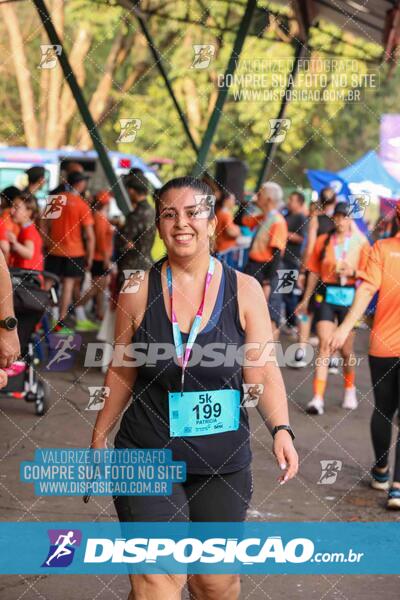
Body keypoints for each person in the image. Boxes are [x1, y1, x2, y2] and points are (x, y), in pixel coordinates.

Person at [90, 176, 298, 600]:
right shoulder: (136, 289)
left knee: (214, 583)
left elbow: (263, 372)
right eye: (170, 214)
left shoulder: (244, 290)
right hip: (147, 452)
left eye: (193, 212)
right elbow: (122, 370)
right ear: (160, 225)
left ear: (212, 222)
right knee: (159, 584)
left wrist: (281, 429)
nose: (181, 223)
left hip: (222, 459)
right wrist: (98, 436)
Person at [330, 202, 400, 510]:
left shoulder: (383, 249)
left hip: (382, 344)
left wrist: (345, 327)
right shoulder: (381, 248)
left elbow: (365, 290)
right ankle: (396, 487)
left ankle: (383, 472)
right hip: (384, 344)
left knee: (384, 409)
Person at [296, 202, 370, 415]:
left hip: (350, 298)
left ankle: (349, 389)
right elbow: (313, 272)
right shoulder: (324, 240)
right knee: (325, 346)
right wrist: (306, 299)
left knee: (346, 351)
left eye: (345, 217)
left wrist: (353, 270)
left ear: (351, 220)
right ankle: (317, 399)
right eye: (337, 217)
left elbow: (369, 275)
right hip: (327, 295)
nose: (340, 221)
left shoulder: (360, 243)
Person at [44, 171, 95, 333]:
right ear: (79, 184)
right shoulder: (82, 204)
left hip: (53, 251)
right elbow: (89, 236)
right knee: (68, 286)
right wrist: (90, 257)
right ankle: (59, 323)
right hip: (75, 252)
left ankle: (40, 319)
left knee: (47, 284)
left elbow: (43, 225)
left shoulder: (56, 199)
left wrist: (46, 243)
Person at [243, 182, 288, 340]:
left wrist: (268, 282)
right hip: (255, 267)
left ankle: (270, 357)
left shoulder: (277, 221)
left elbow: (276, 253)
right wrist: (247, 202)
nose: (257, 197)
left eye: (260, 194)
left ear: (268, 199)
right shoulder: (263, 217)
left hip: (268, 271)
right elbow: (239, 221)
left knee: (270, 315)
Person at [75, 190, 114, 321]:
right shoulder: (100, 219)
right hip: (100, 258)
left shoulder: (96, 216)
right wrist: (107, 259)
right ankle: (78, 306)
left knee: (100, 289)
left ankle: (100, 314)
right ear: (106, 203)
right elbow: (101, 241)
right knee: (97, 287)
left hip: (98, 257)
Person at [116, 170, 156, 292]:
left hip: (131, 268)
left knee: (128, 307)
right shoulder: (152, 211)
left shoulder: (135, 215)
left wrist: (119, 230)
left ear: (132, 191)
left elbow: (124, 241)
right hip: (148, 265)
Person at [281, 191, 308, 333]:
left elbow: (301, 238)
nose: (289, 201)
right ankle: (286, 320)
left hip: (291, 261)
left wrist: (284, 233)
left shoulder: (301, 218)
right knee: (282, 292)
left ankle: (293, 323)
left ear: (299, 203)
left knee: (287, 293)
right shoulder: (286, 215)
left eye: (292, 199)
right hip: (281, 259)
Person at [8, 192, 44, 272]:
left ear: (29, 212)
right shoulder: (26, 228)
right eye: (12, 206)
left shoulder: (28, 230)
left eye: (16, 208)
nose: (12, 210)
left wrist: (14, 243)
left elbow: (29, 254)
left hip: (27, 279)